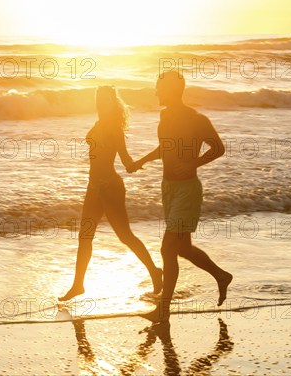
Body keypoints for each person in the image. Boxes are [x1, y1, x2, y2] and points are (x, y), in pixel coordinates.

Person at [129, 71, 233, 321]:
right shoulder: (166, 115)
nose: (156, 92)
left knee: (167, 249)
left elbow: (218, 148)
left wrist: (192, 164)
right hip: (169, 188)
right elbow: (165, 148)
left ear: (173, 90)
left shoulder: (196, 119)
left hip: (187, 189)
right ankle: (221, 276)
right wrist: (141, 161)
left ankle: (162, 311)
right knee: (182, 247)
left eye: (159, 88)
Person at [59, 86, 163, 301]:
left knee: (125, 236)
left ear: (111, 102)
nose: (99, 102)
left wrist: (142, 161)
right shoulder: (99, 123)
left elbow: (126, 161)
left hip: (110, 188)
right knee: (84, 237)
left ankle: (154, 271)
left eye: (104, 99)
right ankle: (78, 285)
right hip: (93, 187)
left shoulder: (114, 128)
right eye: (97, 98)